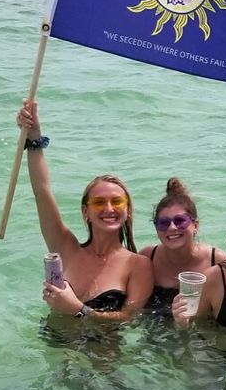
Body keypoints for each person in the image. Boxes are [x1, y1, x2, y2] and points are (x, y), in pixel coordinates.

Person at [17, 99, 153, 321]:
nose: (109, 208)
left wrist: (79, 309)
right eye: (99, 202)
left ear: (127, 210)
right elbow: (42, 192)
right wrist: (34, 137)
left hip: (103, 354)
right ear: (85, 212)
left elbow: (128, 318)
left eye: (117, 202)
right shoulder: (65, 247)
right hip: (53, 349)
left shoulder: (137, 264)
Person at [139, 177, 226, 316]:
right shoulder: (147, 257)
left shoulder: (217, 261)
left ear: (196, 225)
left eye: (180, 221)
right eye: (163, 223)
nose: (172, 227)